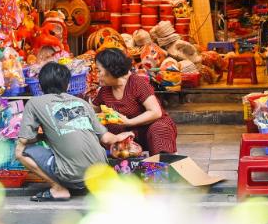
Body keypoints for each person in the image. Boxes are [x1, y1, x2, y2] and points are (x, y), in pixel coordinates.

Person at [16, 62, 134, 202]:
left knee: (20, 151)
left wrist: (42, 136)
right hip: (99, 171)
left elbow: (24, 140)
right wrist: (118, 137)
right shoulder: (82, 102)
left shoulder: (34, 103)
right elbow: (106, 138)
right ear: (68, 85)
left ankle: (58, 189)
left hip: (73, 176)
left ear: (40, 86)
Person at [93, 48, 178, 155]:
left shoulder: (137, 83)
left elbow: (155, 112)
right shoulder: (105, 90)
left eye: (99, 71)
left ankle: (164, 163)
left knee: (159, 129)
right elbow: (91, 111)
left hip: (149, 130)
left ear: (110, 70)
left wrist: (128, 122)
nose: (97, 75)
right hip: (126, 135)